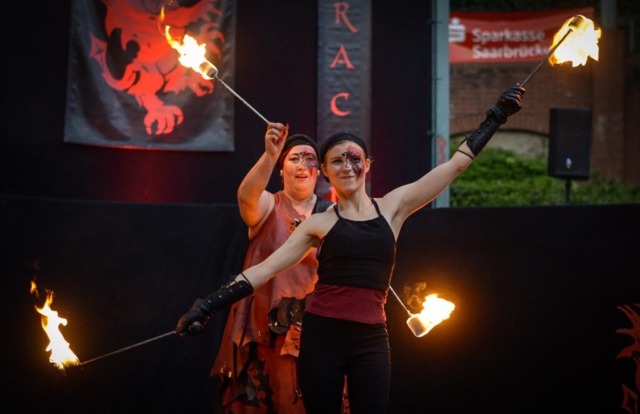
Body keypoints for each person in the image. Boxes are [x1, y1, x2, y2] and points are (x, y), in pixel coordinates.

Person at [177, 84, 525, 414]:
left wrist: (496, 116)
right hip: (322, 338)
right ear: (325, 172)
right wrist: (207, 306)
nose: (347, 166)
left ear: (367, 164)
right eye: (337, 161)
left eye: (354, 158)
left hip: (372, 340)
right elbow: (264, 270)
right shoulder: (319, 224)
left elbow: (455, 166)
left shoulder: (394, 206)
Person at [211, 123, 334, 413]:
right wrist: (269, 155)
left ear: (318, 171)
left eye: (309, 160)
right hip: (261, 333)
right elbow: (246, 198)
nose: (302, 165)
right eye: (293, 158)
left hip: (311, 332)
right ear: (281, 170)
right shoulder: (269, 205)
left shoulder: (331, 213)